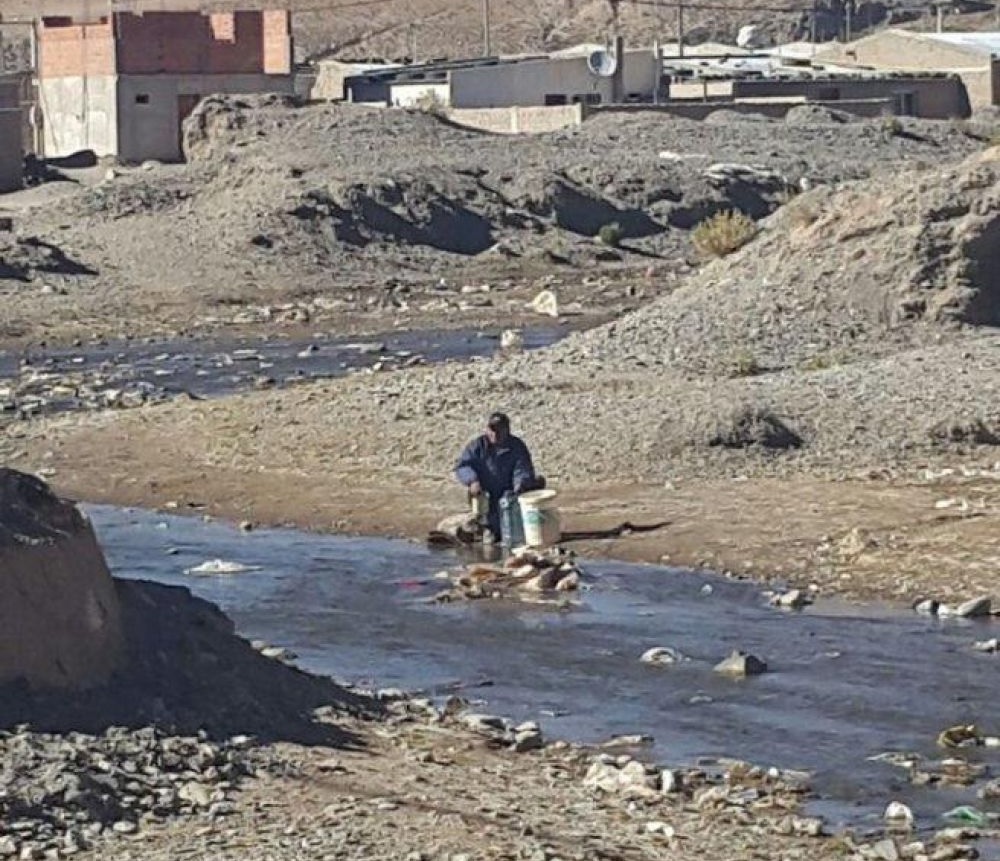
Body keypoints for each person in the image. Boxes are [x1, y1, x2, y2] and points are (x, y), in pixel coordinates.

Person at [454, 412, 544, 538]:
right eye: (492, 430)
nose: (495, 434)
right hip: (484, 495)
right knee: (485, 522)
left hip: (509, 493)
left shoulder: (517, 446)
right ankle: (484, 526)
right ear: (487, 429)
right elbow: (462, 466)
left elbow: (522, 469)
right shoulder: (477, 446)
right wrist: (472, 480)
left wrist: (520, 484)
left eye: (499, 430)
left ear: (507, 430)